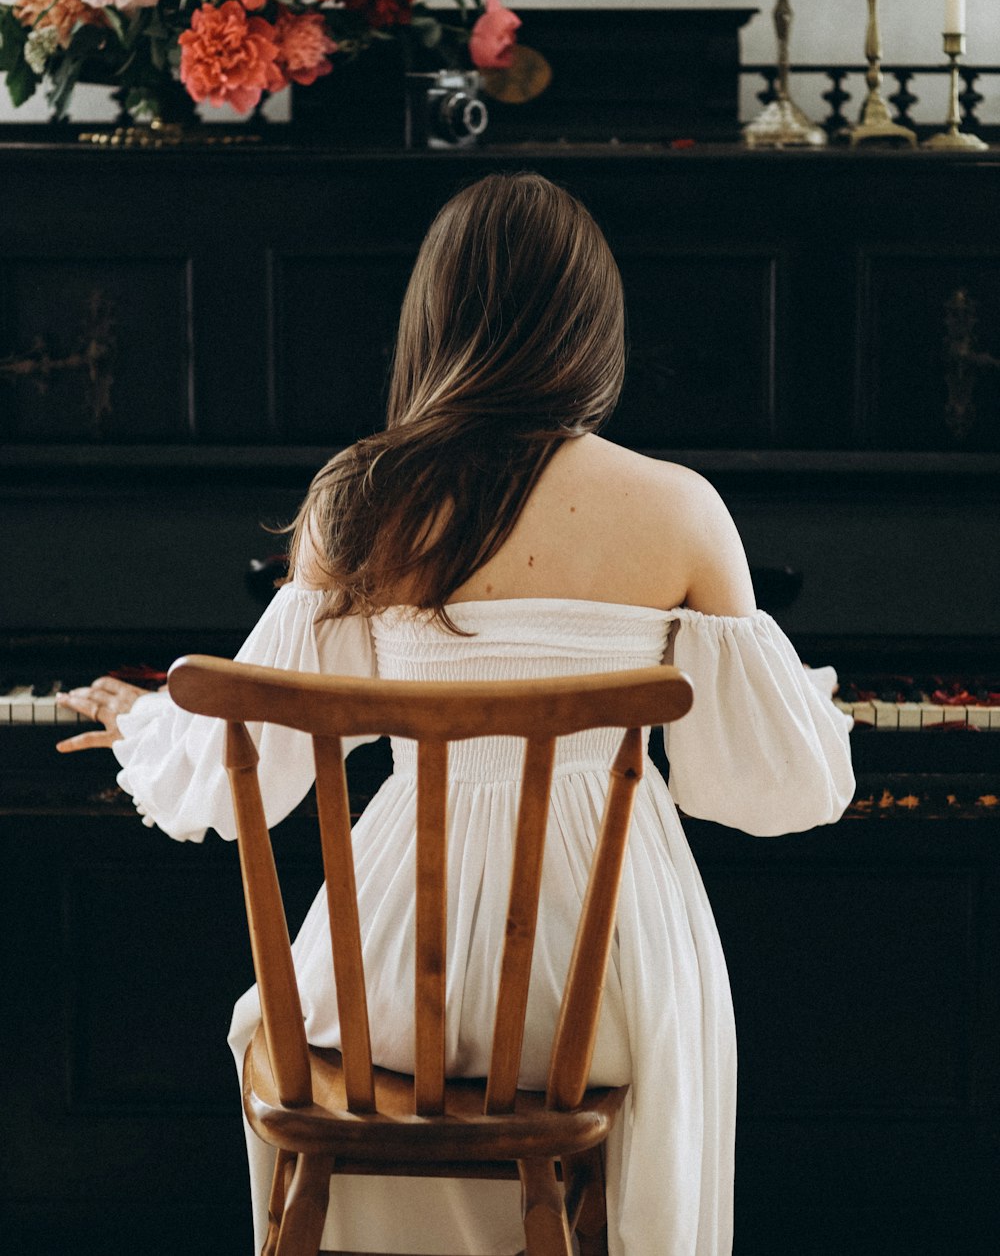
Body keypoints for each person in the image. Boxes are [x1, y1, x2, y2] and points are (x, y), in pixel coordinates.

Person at [57, 171, 854, 1256]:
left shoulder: (359, 497)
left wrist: (148, 722)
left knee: (273, 1032)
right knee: (657, 1028)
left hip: (394, 974)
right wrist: (813, 708)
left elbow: (258, 757)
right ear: (592, 329)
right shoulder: (678, 506)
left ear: (432, 322)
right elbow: (782, 787)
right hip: (603, 983)